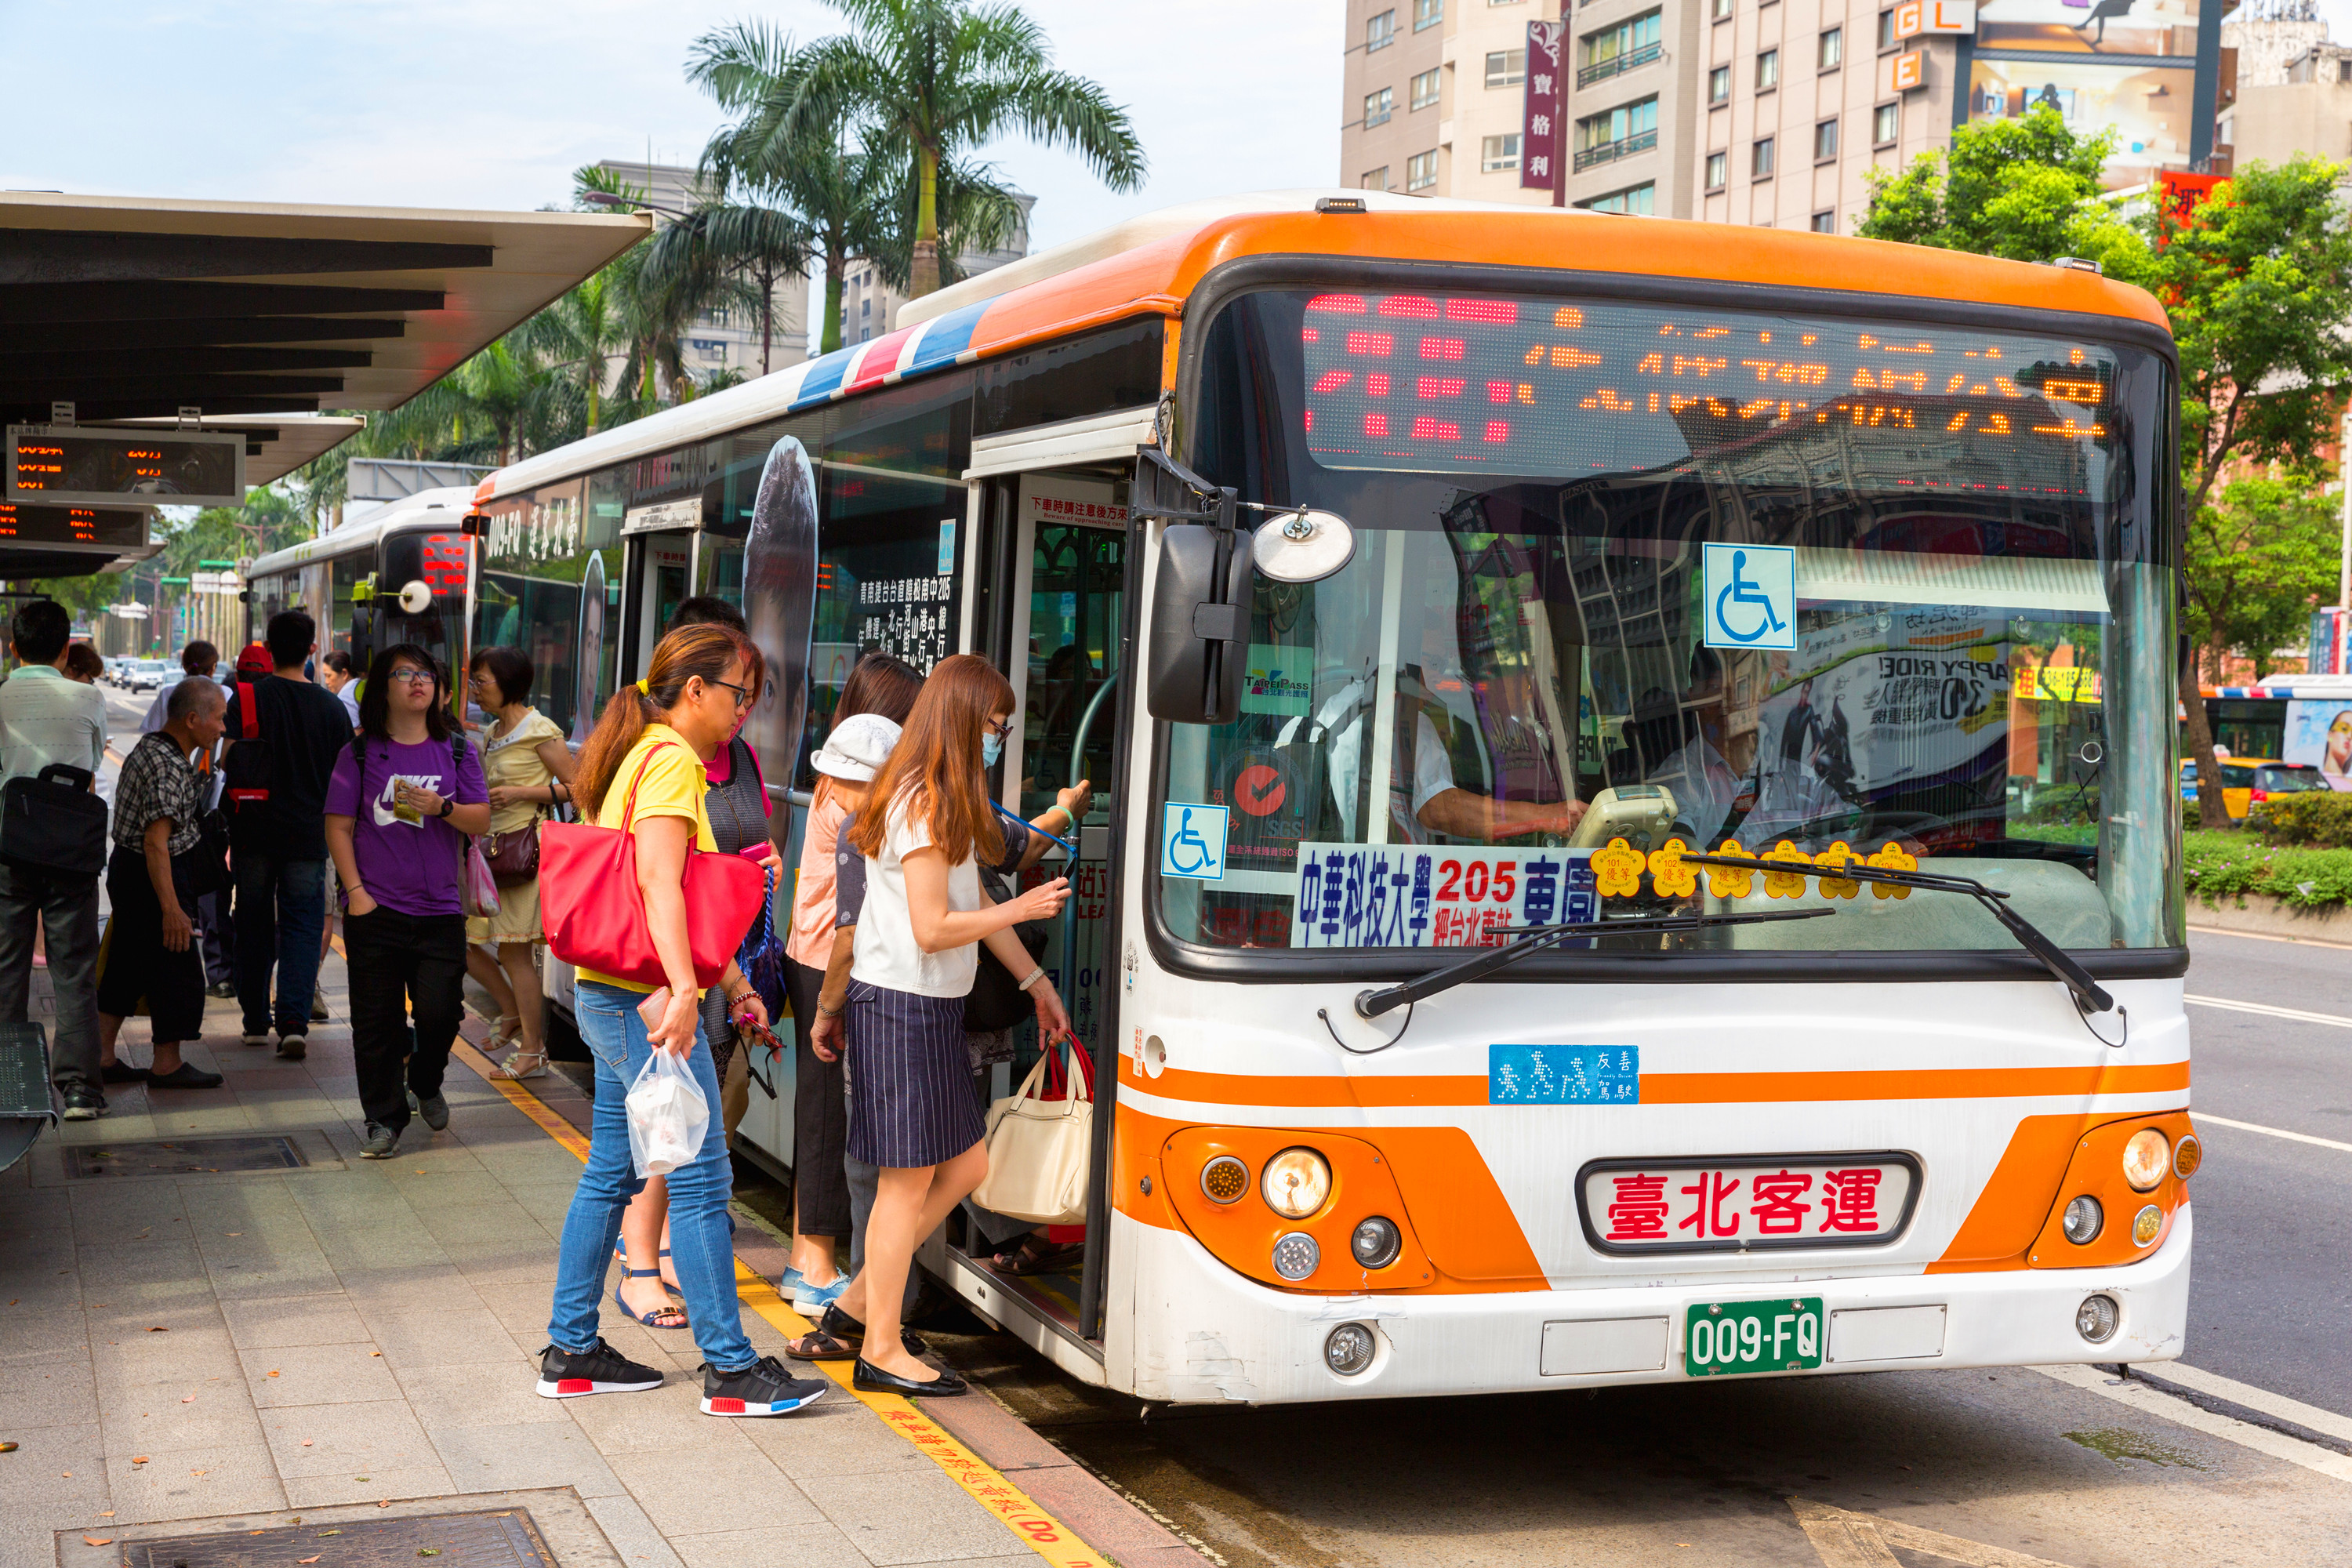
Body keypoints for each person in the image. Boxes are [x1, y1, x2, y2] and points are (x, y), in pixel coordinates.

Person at [535, 622, 828, 1421]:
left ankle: (571, 1349)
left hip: (613, 988)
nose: (745, 710)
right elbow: (661, 888)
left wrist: (730, 985)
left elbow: (672, 892)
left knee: (613, 1169)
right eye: (738, 692)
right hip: (643, 997)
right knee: (702, 1176)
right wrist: (680, 992)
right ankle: (730, 1369)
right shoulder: (668, 761)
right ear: (694, 689)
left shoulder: (637, 752)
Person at [829, 654, 1073, 1396]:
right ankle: (881, 1350)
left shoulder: (945, 796)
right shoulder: (924, 801)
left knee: (965, 1167)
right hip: (902, 1009)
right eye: (996, 727)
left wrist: (1034, 981)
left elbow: (962, 911)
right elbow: (935, 927)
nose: (999, 740)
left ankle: (856, 1305)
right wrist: (1021, 909)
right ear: (967, 722)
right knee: (907, 1188)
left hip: (924, 1009)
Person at [778, 652, 924, 1314]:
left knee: (826, 1109)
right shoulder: (855, 785)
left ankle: (811, 1258)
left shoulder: (846, 771)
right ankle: (811, 1264)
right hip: (824, 958)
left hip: (830, 953)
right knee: (825, 1113)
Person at [324, 644, 490, 1160]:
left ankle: (424, 1077)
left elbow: (480, 820)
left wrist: (442, 807)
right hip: (376, 910)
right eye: (404, 674)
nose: (418, 682)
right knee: (376, 1023)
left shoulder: (460, 751)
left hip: (440, 909)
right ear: (382, 688)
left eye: (426, 675)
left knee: (441, 1014)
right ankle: (383, 1120)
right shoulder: (357, 753)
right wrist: (356, 894)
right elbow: (339, 825)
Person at [0, 601, 111, 1120]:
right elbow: (89, 767)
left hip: (9, 849)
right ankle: (80, 1090)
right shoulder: (87, 696)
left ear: (12, 647)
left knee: (6, 969)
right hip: (70, 850)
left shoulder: (1, 698)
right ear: (68, 648)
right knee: (74, 969)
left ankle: (8, 1081)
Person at [225, 615, 351, 1059]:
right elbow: (343, 779)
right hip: (307, 836)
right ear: (312, 650)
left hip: (253, 833)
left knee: (253, 923)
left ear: (269, 648)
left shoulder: (246, 699)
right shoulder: (332, 708)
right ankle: (293, 1021)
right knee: (301, 927)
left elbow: (228, 763)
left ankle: (256, 1020)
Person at [96, 677, 229, 1091]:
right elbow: (157, 843)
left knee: (125, 965)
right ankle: (166, 1064)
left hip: (133, 873)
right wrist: (172, 908)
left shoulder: (151, 747)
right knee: (176, 967)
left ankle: (101, 1057)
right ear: (192, 719)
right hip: (154, 877)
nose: (223, 728)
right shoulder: (168, 764)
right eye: (219, 718)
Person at [463, 645, 577, 1080]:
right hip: (492, 852)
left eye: (482, 681)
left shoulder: (539, 728)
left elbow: (576, 788)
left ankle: (532, 1050)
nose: (475, 690)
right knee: (472, 942)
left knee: (513, 952)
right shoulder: (492, 731)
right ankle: (515, 1020)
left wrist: (521, 793)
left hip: (524, 853)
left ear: (509, 682)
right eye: (473, 681)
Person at [140, 640, 222, 734]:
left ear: (184, 666)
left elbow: (151, 730)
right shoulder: (224, 694)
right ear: (213, 668)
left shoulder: (167, 693)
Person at [321, 651, 362, 728]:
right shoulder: (358, 685)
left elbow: (355, 731)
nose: (326, 682)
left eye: (329, 676)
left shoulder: (346, 696)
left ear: (344, 674)